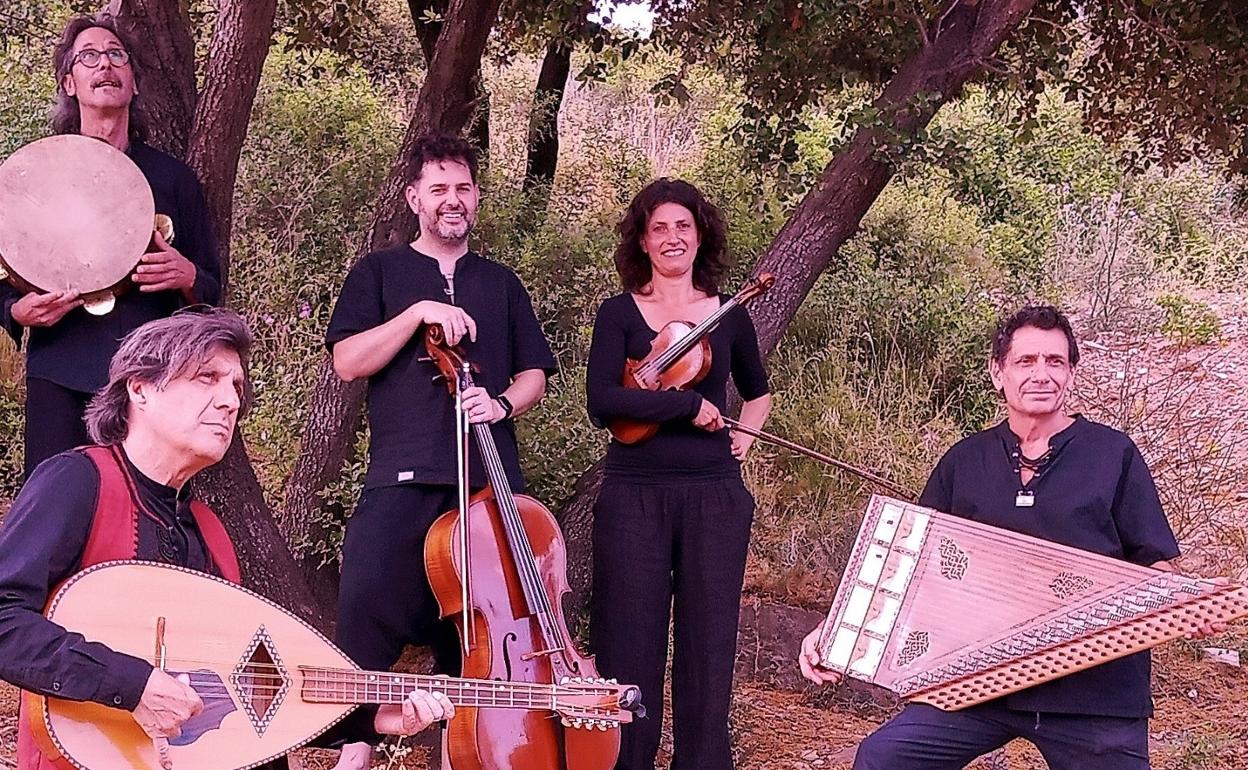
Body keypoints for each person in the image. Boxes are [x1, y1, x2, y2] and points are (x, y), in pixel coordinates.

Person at [0, 309, 450, 770]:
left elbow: (249, 688)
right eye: (206, 378)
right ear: (140, 388)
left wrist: (374, 718)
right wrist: (130, 684)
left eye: (235, 386)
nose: (230, 402)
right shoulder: (78, 481)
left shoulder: (211, 533)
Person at [797, 305, 1226, 770]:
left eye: (1055, 362)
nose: (1041, 375)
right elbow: (904, 565)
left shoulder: (1113, 454)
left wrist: (1189, 602)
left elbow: (1154, 560)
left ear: (1071, 373)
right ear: (998, 372)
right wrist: (836, 632)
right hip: (980, 681)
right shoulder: (965, 461)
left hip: (1095, 693)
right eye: (1026, 362)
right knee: (885, 758)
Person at [326, 133, 557, 765]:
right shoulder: (378, 273)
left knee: (484, 630)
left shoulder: (502, 283)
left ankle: (477, 752)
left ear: (476, 197)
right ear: (414, 199)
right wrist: (416, 313)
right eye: (439, 190)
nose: (452, 200)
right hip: (400, 478)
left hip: (488, 487)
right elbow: (348, 360)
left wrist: (501, 403)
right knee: (365, 605)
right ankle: (356, 748)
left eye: (463, 188)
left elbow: (535, 371)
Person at [584, 178, 772, 770]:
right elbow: (602, 402)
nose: (672, 238)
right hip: (633, 495)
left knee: (707, 644)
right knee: (628, 642)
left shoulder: (727, 316)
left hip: (713, 496)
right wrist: (685, 405)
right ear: (642, 240)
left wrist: (744, 431)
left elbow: (758, 393)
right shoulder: (617, 314)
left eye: (682, 227)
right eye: (658, 228)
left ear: (700, 236)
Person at [0, 13, 221, 480]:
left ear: (134, 84)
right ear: (70, 82)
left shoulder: (173, 179)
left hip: (151, 376)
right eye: (89, 57)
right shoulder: (35, 174)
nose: (105, 65)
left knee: (143, 511)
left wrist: (188, 278)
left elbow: (211, 287)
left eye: (116, 56)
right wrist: (17, 312)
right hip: (59, 368)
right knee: (54, 510)